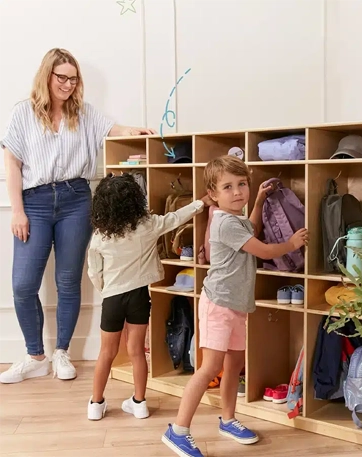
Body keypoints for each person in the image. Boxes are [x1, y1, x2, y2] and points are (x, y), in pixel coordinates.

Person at [0, 48, 156, 384]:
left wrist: (135, 132)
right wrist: (17, 211)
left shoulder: (83, 114)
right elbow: (12, 163)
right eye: (62, 77)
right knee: (23, 285)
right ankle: (34, 355)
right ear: (47, 76)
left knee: (69, 281)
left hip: (75, 199)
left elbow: (114, 129)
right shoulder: (22, 113)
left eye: (73, 78)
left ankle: (62, 354)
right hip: (35, 201)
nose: (69, 84)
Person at [162, 156, 309, 457]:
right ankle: (177, 431)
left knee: (234, 367)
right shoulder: (224, 222)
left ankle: (228, 419)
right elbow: (263, 249)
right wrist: (292, 244)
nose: (237, 191)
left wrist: (258, 202)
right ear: (213, 195)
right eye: (228, 187)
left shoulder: (237, 219)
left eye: (242, 184)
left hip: (236, 306)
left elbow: (251, 230)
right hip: (218, 304)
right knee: (209, 369)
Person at [86, 173, 212, 420]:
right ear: (135, 200)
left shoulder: (100, 236)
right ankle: (139, 402)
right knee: (136, 352)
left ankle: (96, 404)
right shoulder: (148, 225)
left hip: (112, 298)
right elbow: (175, 218)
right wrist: (201, 203)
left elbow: (94, 271)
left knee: (106, 353)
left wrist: (106, 290)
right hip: (138, 297)